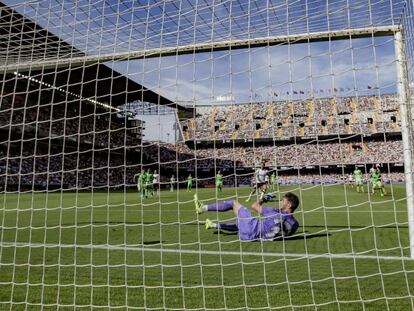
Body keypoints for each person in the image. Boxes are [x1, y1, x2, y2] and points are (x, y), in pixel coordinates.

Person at [195, 192, 300, 241]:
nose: (280, 202)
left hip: (251, 229)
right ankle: (213, 224)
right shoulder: (295, 224)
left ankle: (202, 208)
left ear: (289, 205)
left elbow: (254, 206)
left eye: (283, 201)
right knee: (241, 223)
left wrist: (264, 198)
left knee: (233, 203)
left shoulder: (276, 213)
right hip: (252, 237)